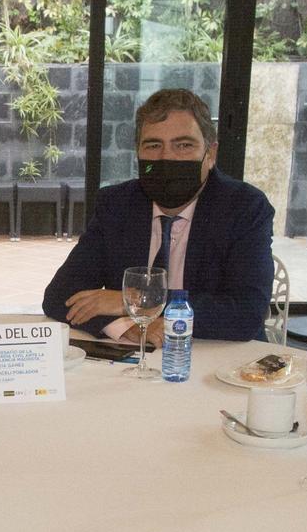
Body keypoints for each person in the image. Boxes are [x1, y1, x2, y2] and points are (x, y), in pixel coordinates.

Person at [42, 89, 274, 344]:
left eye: (184, 145)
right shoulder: (117, 204)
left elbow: (246, 312)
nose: (166, 158)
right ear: (137, 153)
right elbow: (60, 295)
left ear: (210, 154)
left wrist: (133, 300)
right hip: (135, 362)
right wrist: (126, 326)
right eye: (153, 145)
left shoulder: (244, 207)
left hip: (220, 358)